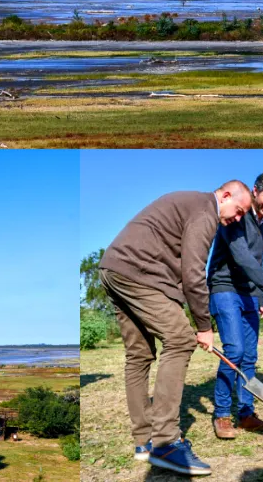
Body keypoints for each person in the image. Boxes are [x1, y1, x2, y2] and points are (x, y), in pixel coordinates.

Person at [99, 181, 253, 476]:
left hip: (115, 268)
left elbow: (180, 278)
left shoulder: (191, 205)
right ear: (226, 195)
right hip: (137, 271)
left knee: (139, 355)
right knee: (181, 339)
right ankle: (167, 443)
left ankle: (143, 442)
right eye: (239, 210)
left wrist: (187, 314)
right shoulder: (205, 211)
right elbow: (194, 274)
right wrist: (203, 326)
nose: (238, 218)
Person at [207, 171, 263, 440]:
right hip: (224, 287)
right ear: (255, 191)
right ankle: (222, 414)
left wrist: (257, 296)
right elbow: (242, 257)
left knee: (250, 357)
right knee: (234, 350)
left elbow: (257, 259)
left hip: (247, 293)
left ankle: (246, 414)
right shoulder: (236, 215)